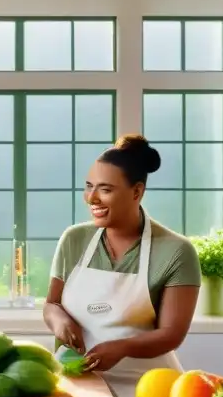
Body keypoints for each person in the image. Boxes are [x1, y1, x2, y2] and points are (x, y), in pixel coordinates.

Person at [44, 134, 201, 380]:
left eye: (105, 189)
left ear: (137, 191)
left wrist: (123, 347)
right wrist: (59, 320)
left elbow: (171, 334)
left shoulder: (176, 251)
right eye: (88, 186)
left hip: (147, 385)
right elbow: (52, 304)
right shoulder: (74, 239)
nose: (92, 197)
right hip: (79, 383)